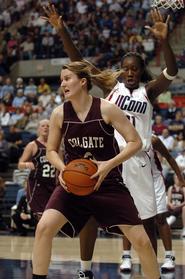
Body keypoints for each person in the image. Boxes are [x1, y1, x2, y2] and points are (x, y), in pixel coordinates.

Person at [42, 4, 178, 278]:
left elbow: (171, 71)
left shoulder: (148, 92)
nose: (130, 73)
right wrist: (62, 30)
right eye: (126, 69)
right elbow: (78, 61)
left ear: (140, 72)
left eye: (135, 70)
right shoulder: (109, 87)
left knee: (145, 224)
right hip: (107, 160)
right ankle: (85, 270)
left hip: (137, 160)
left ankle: (148, 272)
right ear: (121, 70)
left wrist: (164, 42)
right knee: (90, 213)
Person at [32, 61, 160, 279]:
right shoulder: (59, 114)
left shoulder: (106, 108)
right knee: (44, 228)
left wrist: (108, 165)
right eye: (61, 80)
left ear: (82, 82)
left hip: (107, 184)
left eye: (67, 79)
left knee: (142, 241)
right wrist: (63, 169)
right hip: (72, 184)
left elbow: (135, 142)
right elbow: (51, 151)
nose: (62, 84)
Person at [120, 135, 185, 273]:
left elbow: (169, 157)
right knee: (128, 219)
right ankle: (126, 257)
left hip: (154, 181)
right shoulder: (120, 139)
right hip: (133, 182)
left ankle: (169, 257)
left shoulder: (153, 139)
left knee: (160, 218)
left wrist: (179, 176)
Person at [18, 119, 57, 219]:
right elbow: (20, 164)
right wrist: (27, 164)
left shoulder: (56, 146)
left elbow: (60, 164)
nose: (45, 128)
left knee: (51, 213)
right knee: (40, 214)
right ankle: (42, 234)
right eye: (43, 126)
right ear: (38, 129)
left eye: (48, 126)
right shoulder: (32, 145)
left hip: (52, 183)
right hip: (37, 183)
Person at [166, 174, 185, 238]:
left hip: (180, 206)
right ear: (174, 179)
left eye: (178, 178)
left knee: (184, 208)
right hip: (172, 206)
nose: (177, 180)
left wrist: (179, 206)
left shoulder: (183, 188)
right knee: (165, 206)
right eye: (176, 178)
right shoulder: (171, 188)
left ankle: (170, 221)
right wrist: (170, 205)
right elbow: (168, 201)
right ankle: (165, 224)